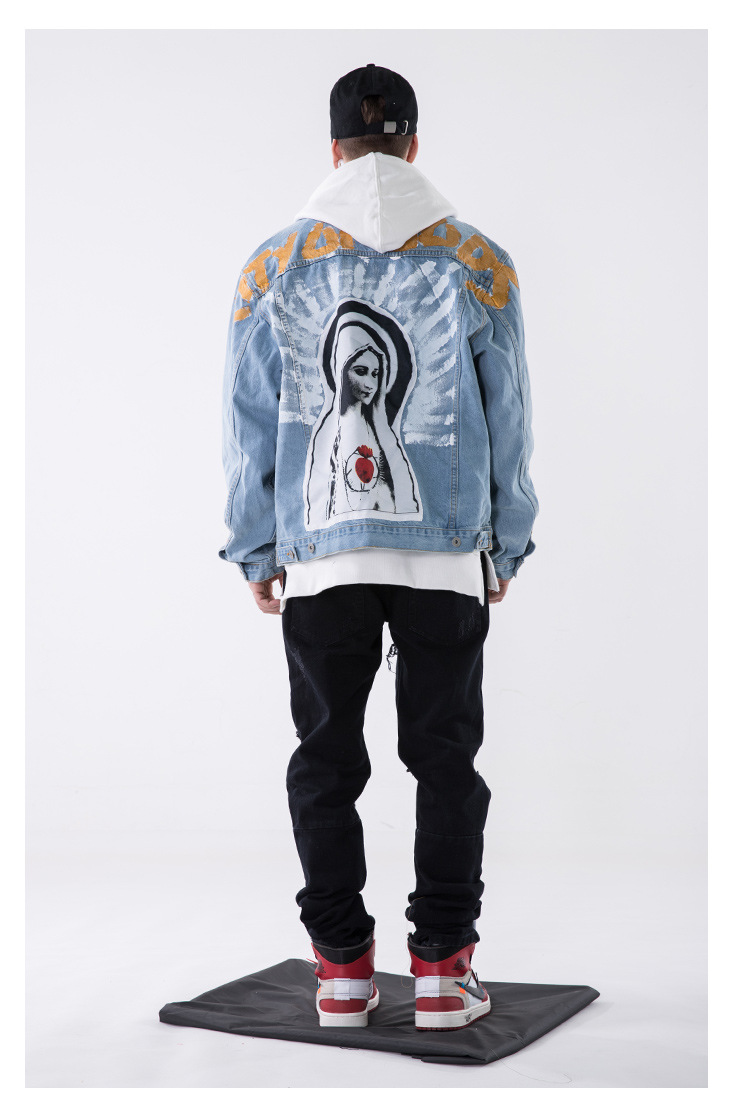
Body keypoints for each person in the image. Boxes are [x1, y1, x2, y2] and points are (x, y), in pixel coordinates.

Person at [219, 63, 538, 1032]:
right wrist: (505, 542)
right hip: (444, 559)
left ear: (333, 150)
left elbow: (247, 417)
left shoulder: (272, 268)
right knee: (445, 758)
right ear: (413, 144)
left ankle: (341, 975)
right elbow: (509, 416)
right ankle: (442, 970)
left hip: (323, 559)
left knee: (324, 759)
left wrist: (256, 544)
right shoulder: (477, 262)